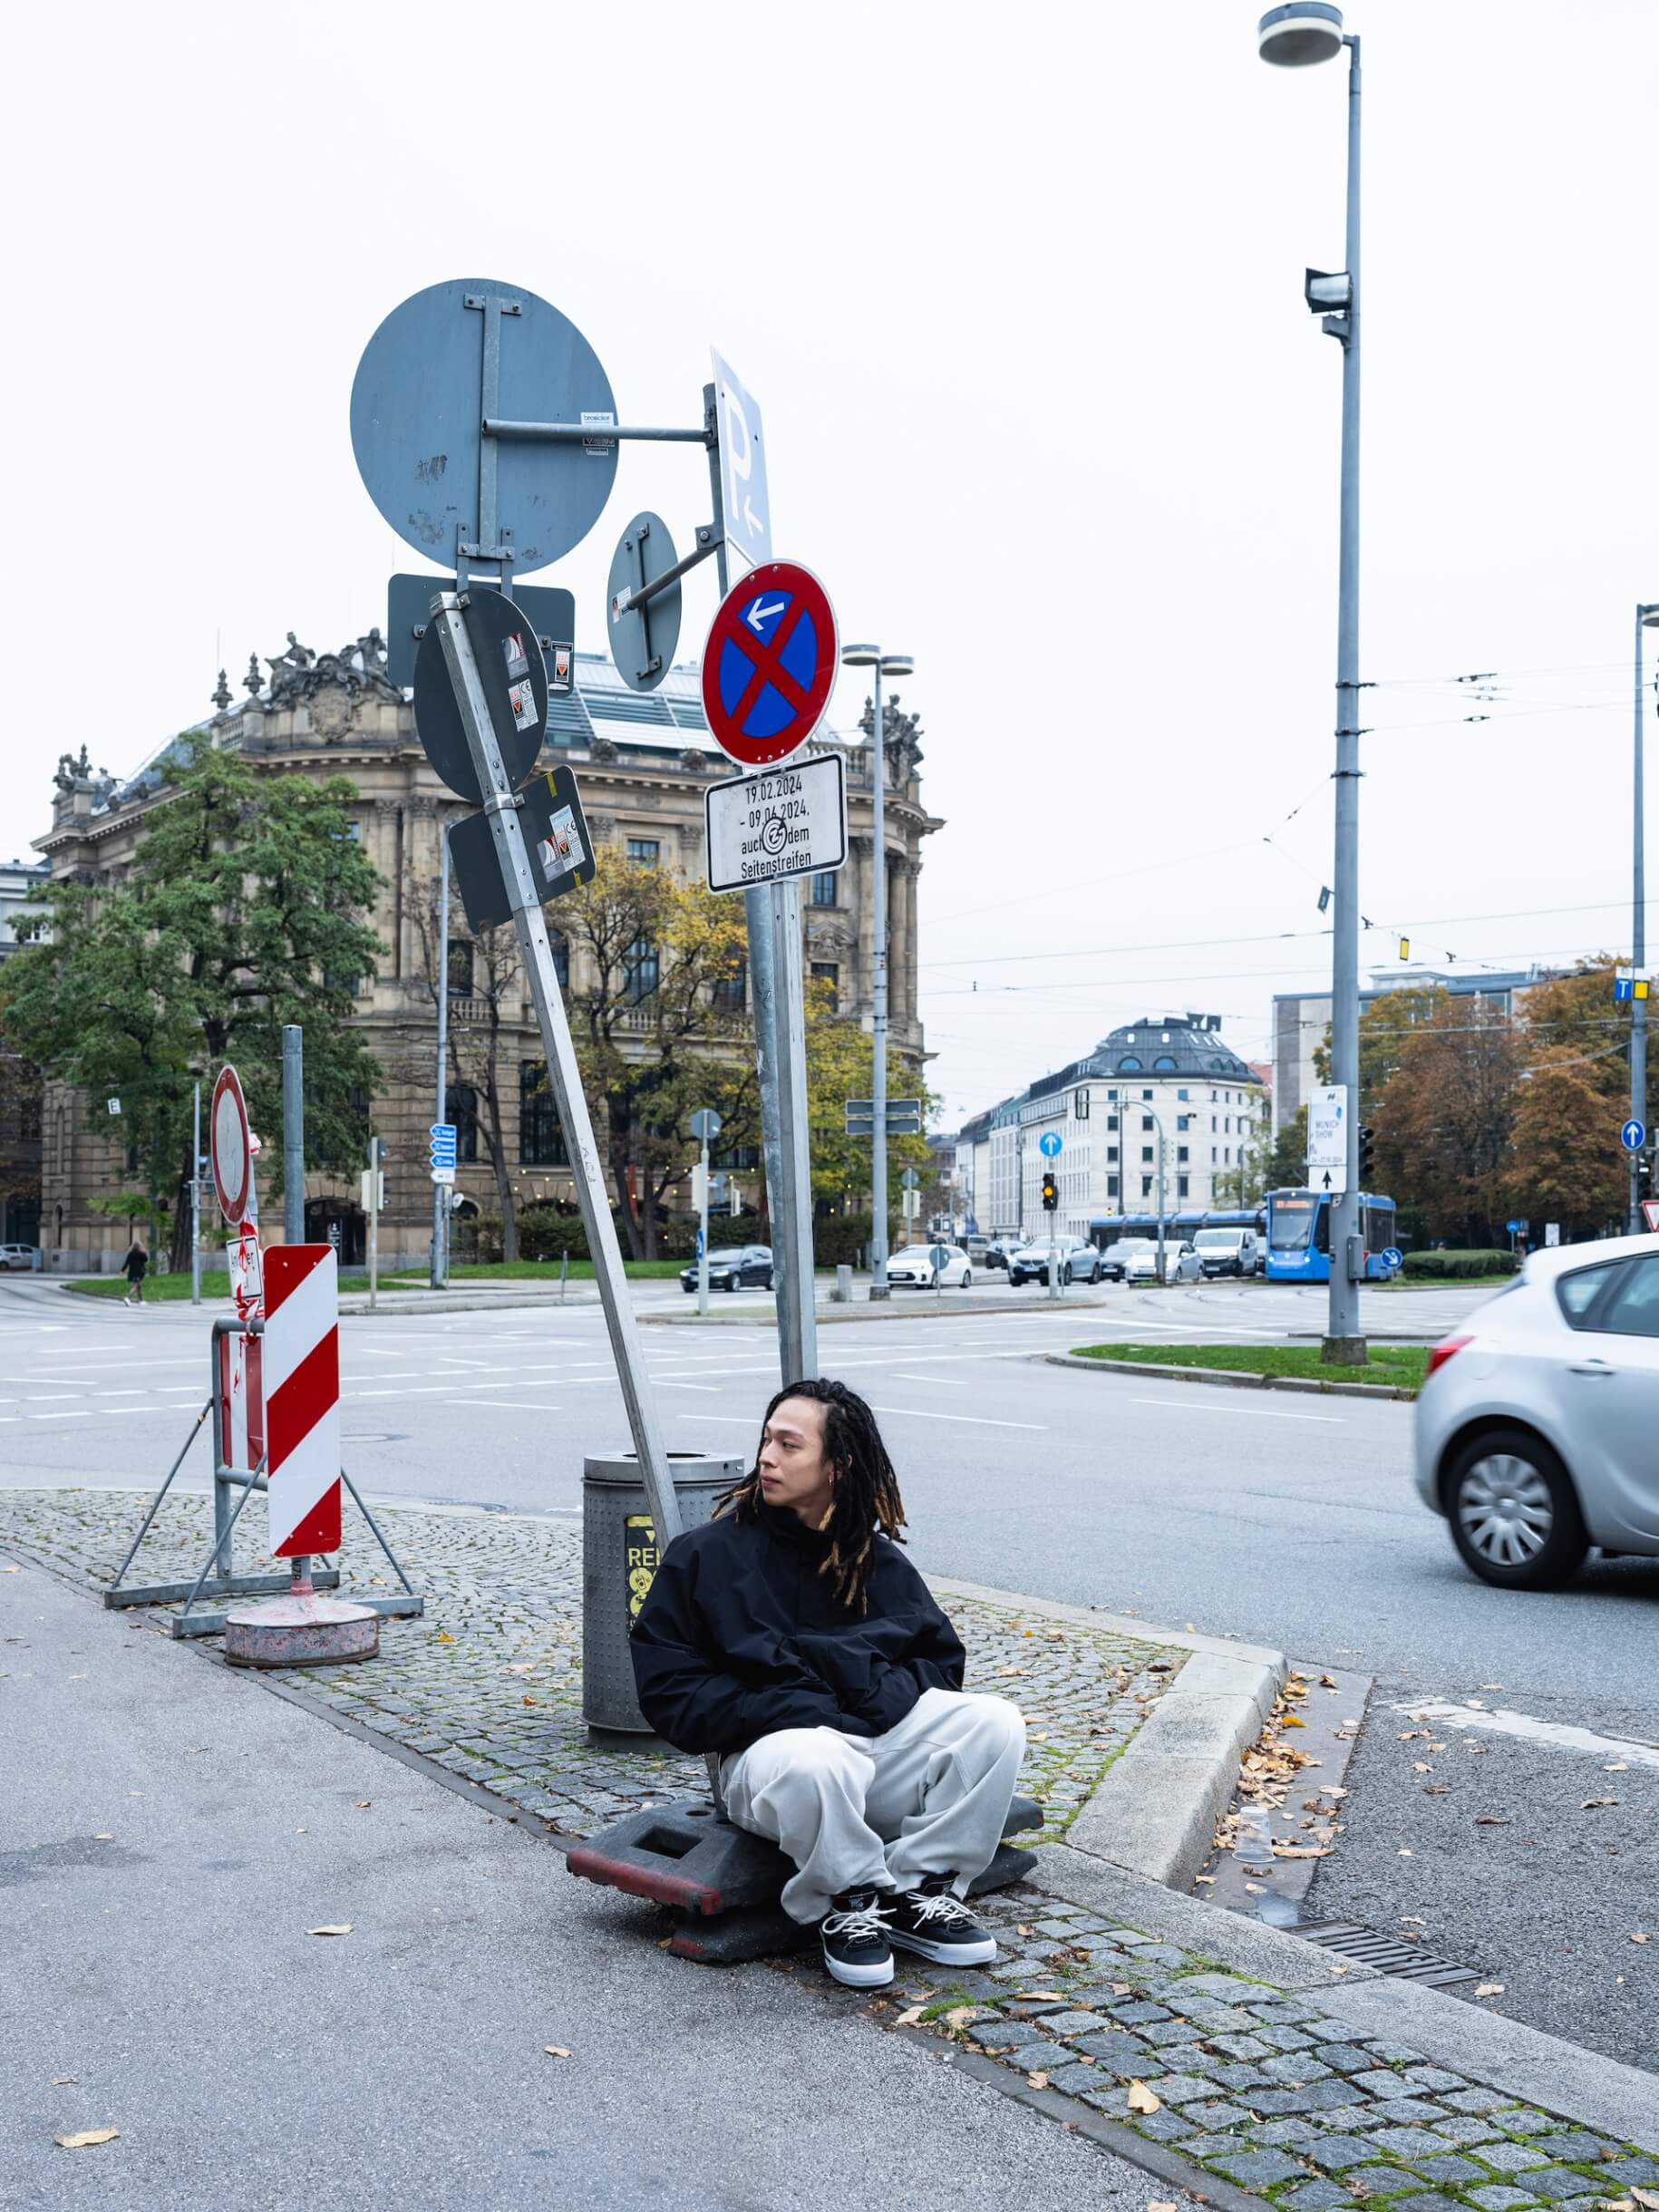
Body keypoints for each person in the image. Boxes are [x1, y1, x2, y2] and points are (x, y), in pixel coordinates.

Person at [629, 1377, 1025, 1989]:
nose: (766, 1456)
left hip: (866, 1758)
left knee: (993, 1723)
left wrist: (870, 1696)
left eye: (789, 1445)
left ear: (838, 1465)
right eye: (766, 1440)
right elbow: (669, 1691)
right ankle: (851, 1901)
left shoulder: (874, 1561)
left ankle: (922, 1890)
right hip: (773, 1768)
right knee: (816, 1755)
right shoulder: (705, 1556)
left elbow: (940, 1665)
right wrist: (788, 1705)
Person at [121, 1237, 149, 1306]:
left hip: (132, 1272)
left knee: (138, 1286)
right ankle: (128, 1298)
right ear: (140, 1247)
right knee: (136, 1286)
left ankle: (141, 1300)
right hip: (139, 1272)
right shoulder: (141, 1254)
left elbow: (126, 1263)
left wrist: (122, 1270)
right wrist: (144, 1252)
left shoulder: (130, 1254)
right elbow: (146, 1259)